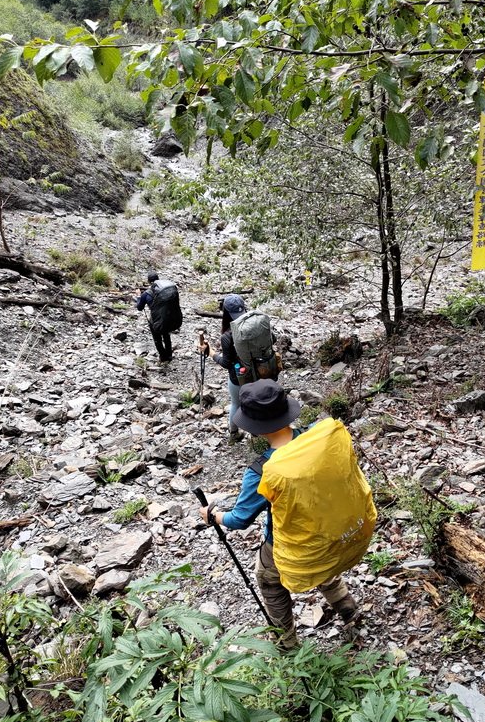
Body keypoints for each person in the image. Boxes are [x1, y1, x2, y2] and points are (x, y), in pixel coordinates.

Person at [199, 380, 361, 649]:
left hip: (292, 543)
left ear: (255, 427)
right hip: (328, 529)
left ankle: (287, 643)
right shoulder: (315, 439)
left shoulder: (263, 470)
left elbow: (239, 519)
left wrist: (213, 517)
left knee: (269, 581)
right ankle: (348, 609)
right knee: (322, 566)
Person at [211, 293, 247, 444]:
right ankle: (261, 432)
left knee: (236, 404)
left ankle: (234, 434)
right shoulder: (256, 323)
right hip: (262, 372)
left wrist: (211, 354)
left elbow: (226, 363)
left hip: (239, 377)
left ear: (226, 313)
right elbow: (273, 339)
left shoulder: (227, 336)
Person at [135, 270, 174, 363]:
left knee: (157, 339)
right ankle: (169, 355)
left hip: (155, 319)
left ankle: (163, 356)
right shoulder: (165, 291)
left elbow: (140, 308)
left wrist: (138, 296)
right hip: (167, 317)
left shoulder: (146, 294)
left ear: (148, 281)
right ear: (158, 279)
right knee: (166, 336)